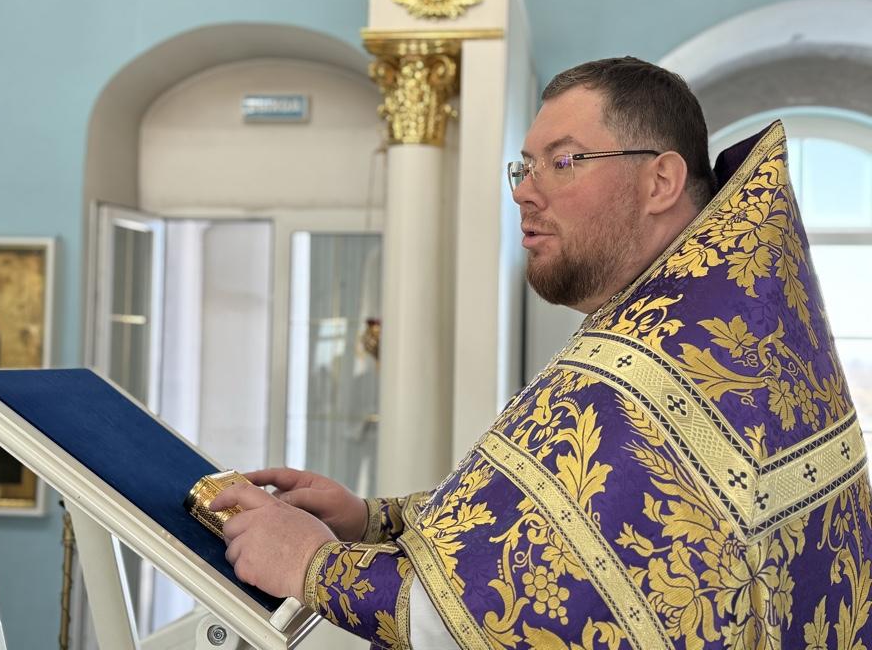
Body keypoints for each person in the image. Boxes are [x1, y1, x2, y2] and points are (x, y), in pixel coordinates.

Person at [212, 57, 872, 648]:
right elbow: (548, 531)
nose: (525, 191)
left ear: (661, 181)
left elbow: (520, 616)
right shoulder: (703, 317)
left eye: (563, 162)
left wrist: (313, 564)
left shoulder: (665, 360)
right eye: (524, 167)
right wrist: (372, 521)